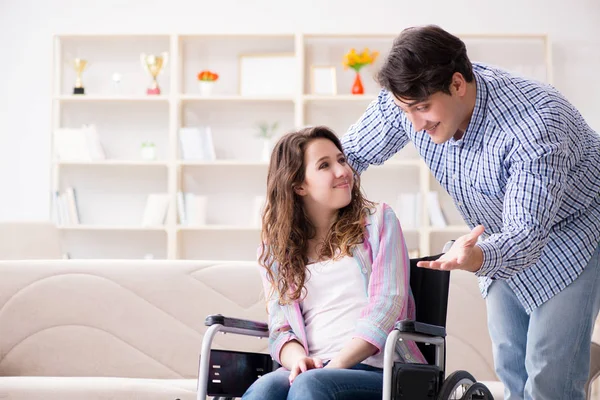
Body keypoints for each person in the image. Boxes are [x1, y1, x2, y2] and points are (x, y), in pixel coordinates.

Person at [341, 24, 600, 400]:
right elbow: (349, 157)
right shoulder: (412, 95)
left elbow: (526, 233)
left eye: (422, 109)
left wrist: (477, 256)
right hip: (498, 230)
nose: (414, 124)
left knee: (548, 377)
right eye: (405, 110)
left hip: (573, 227)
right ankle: (574, 352)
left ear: (458, 84)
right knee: (511, 362)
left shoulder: (537, 124)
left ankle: (568, 358)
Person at [242, 126, 426, 400]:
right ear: (298, 185)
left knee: (310, 386)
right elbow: (281, 329)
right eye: (325, 165)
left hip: (381, 371)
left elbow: (387, 306)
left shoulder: (378, 222)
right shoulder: (275, 251)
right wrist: (299, 361)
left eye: (341, 160)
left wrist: (332, 367)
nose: (343, 171)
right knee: (264, 389)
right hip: (313, 368)